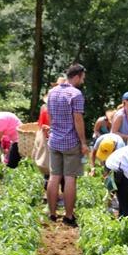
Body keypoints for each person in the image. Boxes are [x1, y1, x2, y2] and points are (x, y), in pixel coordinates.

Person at [46, 63, 89, 227]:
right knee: (70, 177)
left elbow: (50, 115)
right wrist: (83, 142)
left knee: (54, 176)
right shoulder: (76, 94)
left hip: (54, 140)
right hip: (70, 142)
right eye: (82, 78)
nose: (82, 81)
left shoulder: (52, 92)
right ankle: (69, 215)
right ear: (77, 76)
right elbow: (78, 119)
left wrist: (53, 131)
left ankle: (51, 213)